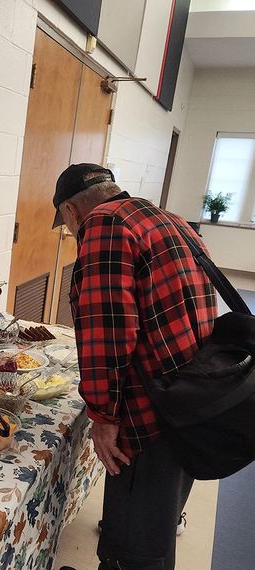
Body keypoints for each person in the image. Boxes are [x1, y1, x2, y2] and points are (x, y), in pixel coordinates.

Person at [53, 164, 217, 570]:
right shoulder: (166, 218)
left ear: (72, 212)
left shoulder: (104, 226)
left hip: (149, 411)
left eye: (65, 225)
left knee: (137, 544)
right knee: (157, 514)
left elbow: (107, 333)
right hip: (192, 392)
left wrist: (103, 416)